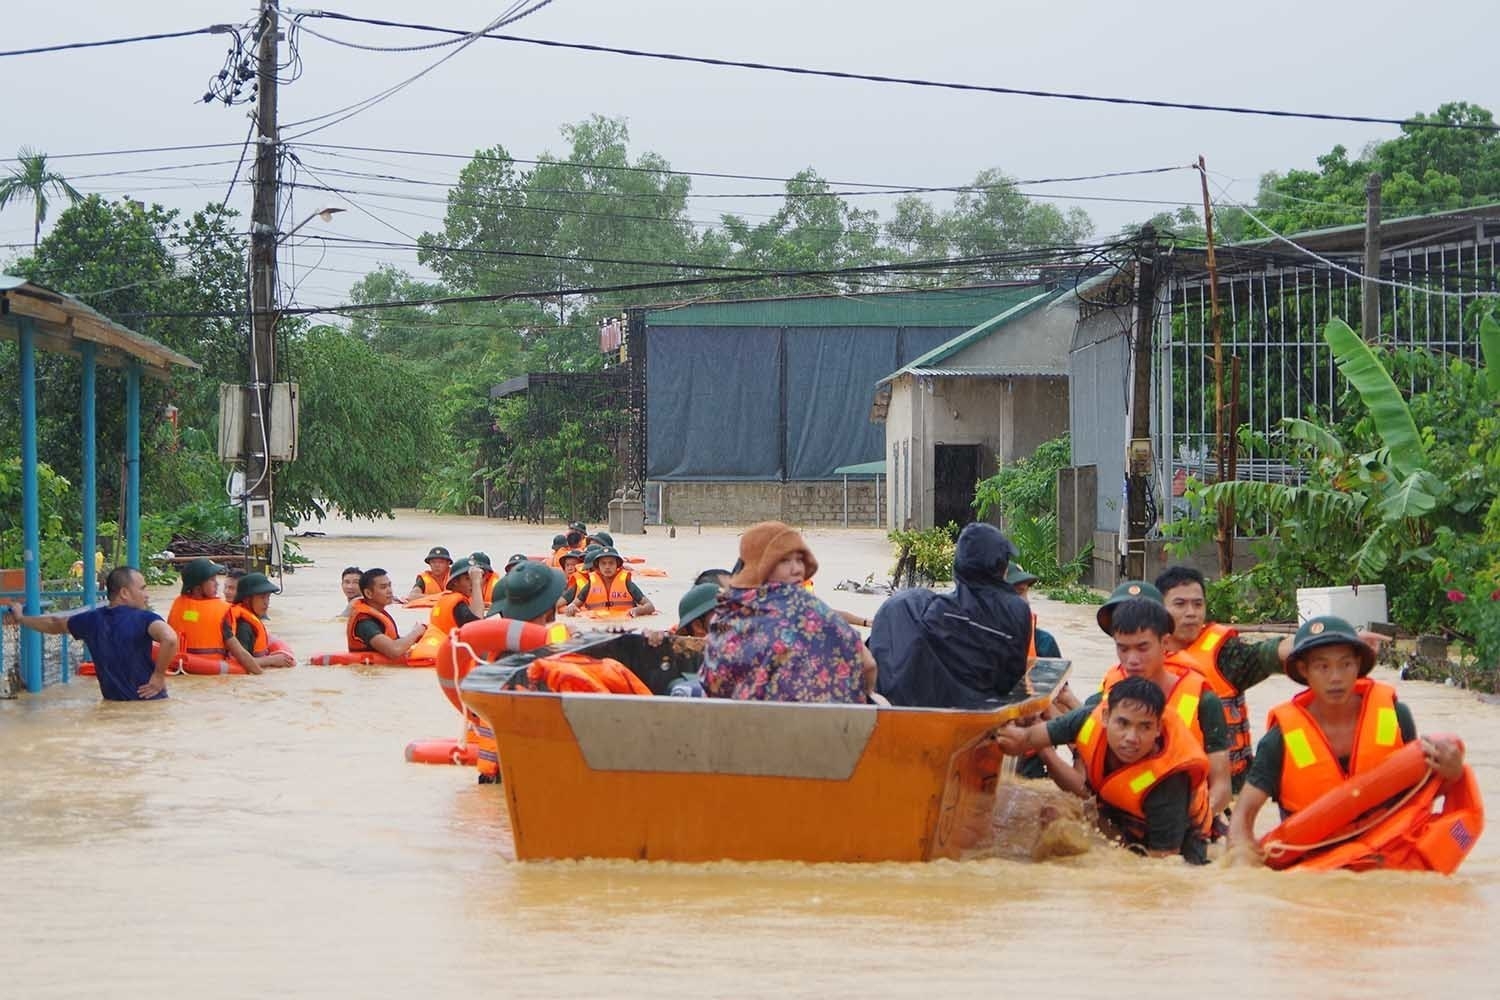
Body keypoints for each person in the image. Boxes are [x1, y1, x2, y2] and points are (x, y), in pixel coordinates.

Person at [1228, 616, 1466, 860]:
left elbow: (1421, 793)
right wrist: (1241, 860)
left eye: (1345, 665)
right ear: (1303, 670)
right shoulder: (1280, 740)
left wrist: (1452, 773)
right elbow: (1242, 816)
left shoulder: (1395, 717)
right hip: (1317, 870)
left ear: (1358, 665)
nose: (1336, 678)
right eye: (1323, 667)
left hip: (1390, 856)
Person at [1154, 564, 1386, 792]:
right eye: (1180, 604)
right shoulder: (1142, 656)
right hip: (1168, 784)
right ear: (1159, 609)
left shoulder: (1226, 655)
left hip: (1227, 785)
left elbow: (1273, 651)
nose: (1191, 613)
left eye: (1198, 604)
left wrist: (1341, 640)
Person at [996, 675, 1213, 864]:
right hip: (1118, 818)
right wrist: (1005, 728)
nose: (1131, 738)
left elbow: (1162, 866)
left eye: (1144, 727)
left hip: (1178, 849)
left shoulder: (1168, 782)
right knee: (1053, 816)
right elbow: (1025, 739)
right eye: (1123, 724)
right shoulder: (1086, 719)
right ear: (1106, 717)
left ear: (1158, 729)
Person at [1090, 590, 1232, 817]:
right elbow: (1083, 753)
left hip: (1180, 820)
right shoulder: (1108, 690)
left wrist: (1191, 823)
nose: (1132, 660)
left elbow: (1222, 788)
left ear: (1164, 642)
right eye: (1123, 648)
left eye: (1142, 647)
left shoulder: (1203, 699)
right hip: (1116, 812)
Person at [701, 521, 876, 703]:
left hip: (737, 723)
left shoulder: (727, 610)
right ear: (761, 564)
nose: (797, 569)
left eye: (799, 560)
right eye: (784, 561)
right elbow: (868, 665)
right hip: (819, 724)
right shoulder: (807, 608)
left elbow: (711, 680)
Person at [871, 522, 1033, 709]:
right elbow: (1010, 681)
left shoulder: (922, 610)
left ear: (958, 567)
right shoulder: (1018, 611)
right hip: (983, 718)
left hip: (922, 716)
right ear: (1002, 568)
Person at [2, 566, 176, 700]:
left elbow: (54, 624)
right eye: (143, 588)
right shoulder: (146, 618)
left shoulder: (90, 620)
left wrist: (21, 618)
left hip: (113, 705)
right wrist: (159, 675)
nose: (146, 595)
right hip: (151, 702)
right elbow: (170, 638)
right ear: (124, 593)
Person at [223, 572, 296, 673]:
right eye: (262, 597)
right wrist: (272, 660)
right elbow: (239, 664)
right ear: (247, 600)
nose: (266, 602)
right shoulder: (243, 627)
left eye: (268, 597)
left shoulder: (252, 621)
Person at [346, 568, 426, 660]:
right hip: (370, 671)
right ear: (368, 593)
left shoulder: (378, 614)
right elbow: (394, 650)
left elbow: (396, 642)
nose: (389, 591)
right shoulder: (365, 623)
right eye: (383, 587)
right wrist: (417, 631)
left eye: (389, 586)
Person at [561, 547, 658, 618]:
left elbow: (650, 606)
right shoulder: (590, 585)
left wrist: (638, 610)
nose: (607, 567)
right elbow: (573, 605)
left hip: (623, 625)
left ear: (617, 565)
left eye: (611, 563)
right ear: (598, 566)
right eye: (603, 563)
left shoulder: (627, 583)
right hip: (597, 626)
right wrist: (571, 609)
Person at [166, 557, 232, 660]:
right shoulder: (223, 610)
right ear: (197, 588)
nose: (217, 584)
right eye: (212, 580)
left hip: (180, 665)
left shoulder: (178, 603)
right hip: (211, 667)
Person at [428, 557, 487, 635]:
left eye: (472, 579)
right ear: (455, 582)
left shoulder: (447, 599)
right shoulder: (458, 605)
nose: (472, 584)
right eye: (467, 579)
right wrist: (476, 582)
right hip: (447, 645)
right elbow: (477, 623)